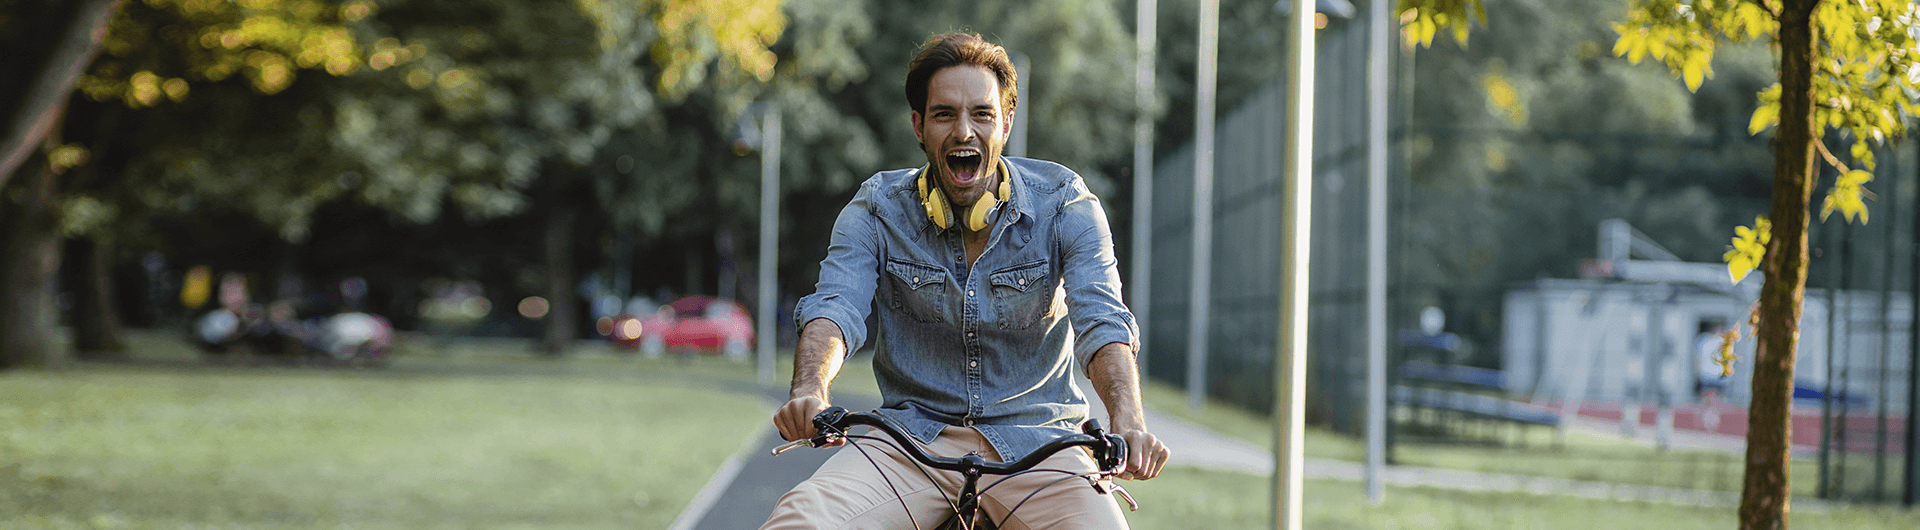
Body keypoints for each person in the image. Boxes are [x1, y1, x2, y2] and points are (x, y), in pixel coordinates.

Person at [762, 33, 1171, 529]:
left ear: (1006, 123)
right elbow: (835, 307)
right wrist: (811, 390)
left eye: (981, 113)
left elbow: (1102, 322)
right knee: (800, 521)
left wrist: (1128, 421)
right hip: (909, 443)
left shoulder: (1065, 203)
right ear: (918, 125)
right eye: (943, 114)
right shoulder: (876, 208)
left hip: (1041, 443)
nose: (963, 132)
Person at [1695, 321, 1729, 432]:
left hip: (1709, 376)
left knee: (1709, 401)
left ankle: (1707, 423)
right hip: (1715, 376)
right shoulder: (1721, 342)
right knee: (1712, 401)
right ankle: (1710, 423)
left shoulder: (1703, 340)